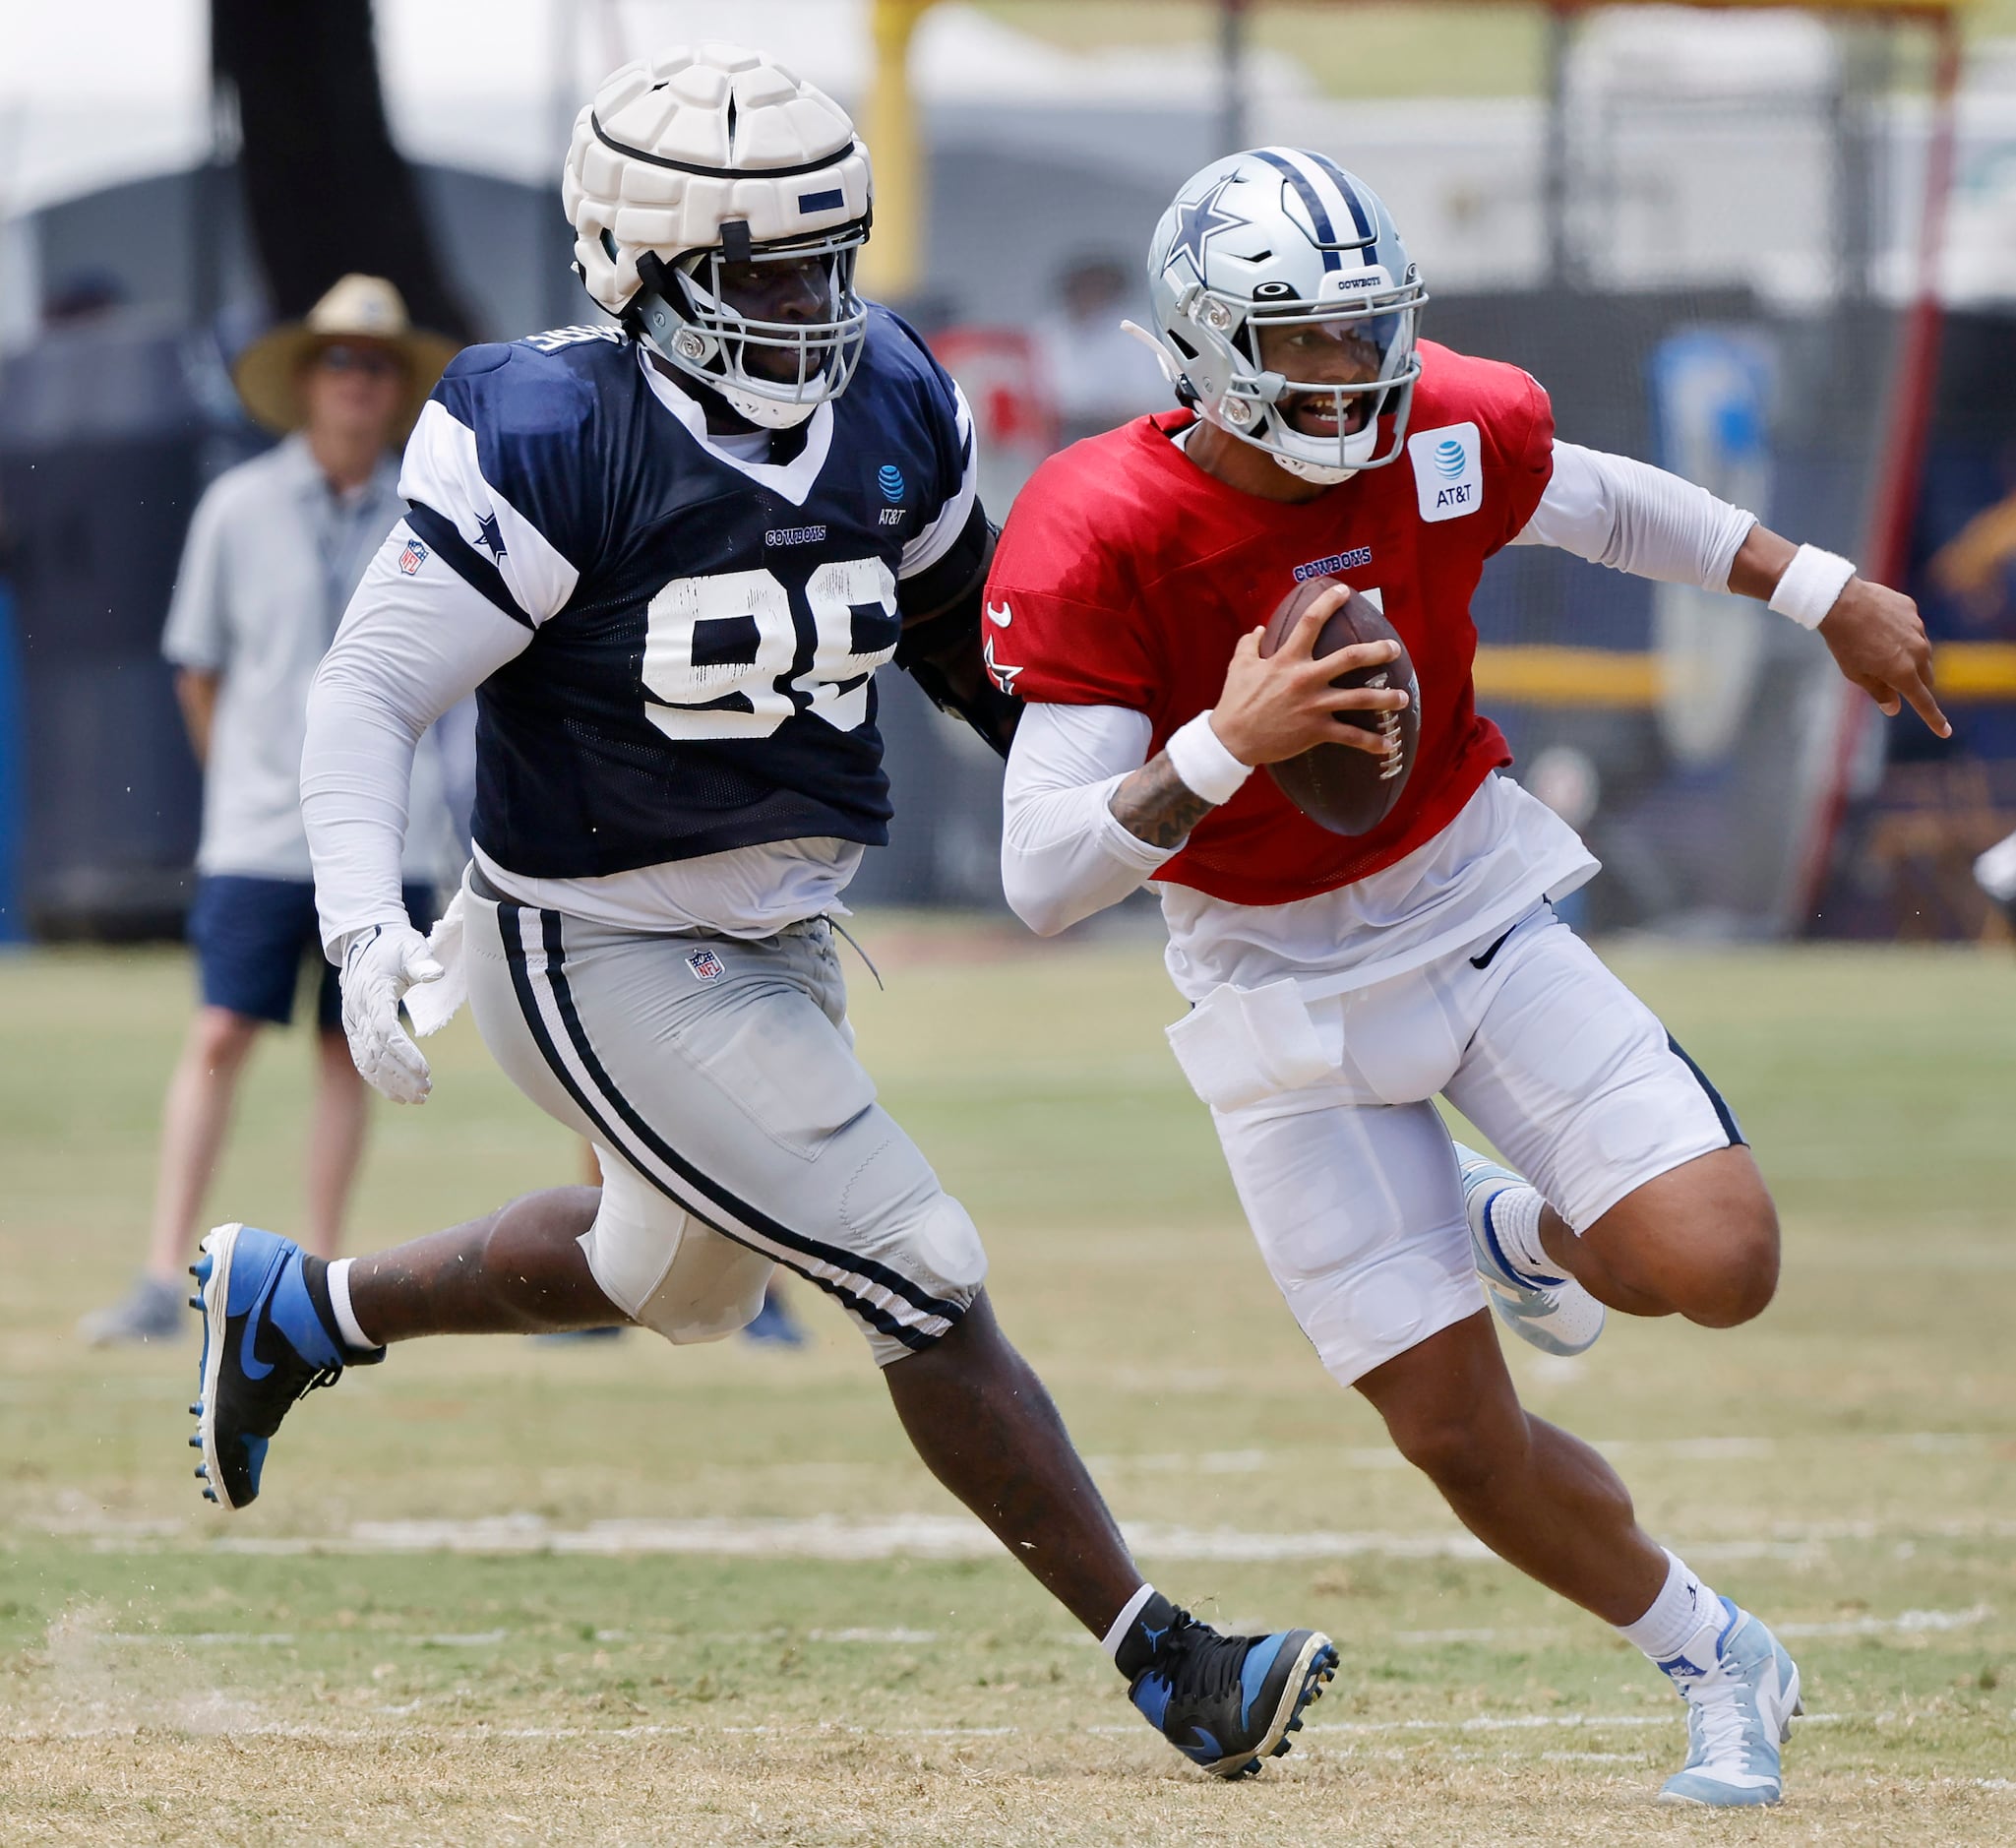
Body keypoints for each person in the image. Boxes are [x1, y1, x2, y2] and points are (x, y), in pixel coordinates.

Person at [183, 46, 1334, 1780]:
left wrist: (1170, 777)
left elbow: (973, 651)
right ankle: (1167, 1654)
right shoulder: (547, 426)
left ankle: (301, 1307)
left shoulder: (886, 394)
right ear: (639, 269)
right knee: (915, 1265)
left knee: (675, 1279)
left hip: (781, 937)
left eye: (827, 258)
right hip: (593, 941)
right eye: (762, 272)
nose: (811, 305)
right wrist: (359, 927)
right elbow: (359, 698)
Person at [986, 148, 1949, 1809]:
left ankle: (1513, 1222)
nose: (1343, 374)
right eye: (1298, 341)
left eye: (1363, 332)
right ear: (1206, 343)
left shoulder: (1446, 420)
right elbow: (1037, 875)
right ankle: (1716, 1654)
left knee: (1712, 1263)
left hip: (1467, 899)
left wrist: (1820, 590)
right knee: (1451, 1435)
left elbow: (1598, 499)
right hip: (1266, 977)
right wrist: (1228, 745)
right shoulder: (1103, 518)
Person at [81, 276, 459, 1345]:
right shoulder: (237, 508)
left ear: (396, 393)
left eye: (378, 366)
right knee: (220, 1029)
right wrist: (245, 784)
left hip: (390, 835)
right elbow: (195, 667)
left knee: (355, 1047)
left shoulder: (428, 516)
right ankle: (163, 1270)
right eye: (340, 361)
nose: (358, 382)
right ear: (305, 381)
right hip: (257, 834)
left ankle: (322, 1279)